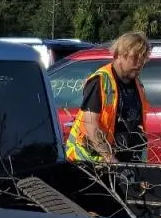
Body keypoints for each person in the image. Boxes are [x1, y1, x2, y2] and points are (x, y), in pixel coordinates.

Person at [65, 31, 151, 163]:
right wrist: (109, 159)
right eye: (135, 57)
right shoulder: (100, 81)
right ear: (119, 55)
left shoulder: (137, 85)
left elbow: (138, 128)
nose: (140, 63)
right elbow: (91, 126)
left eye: (143, 59)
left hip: (122, 160)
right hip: (90, 161)